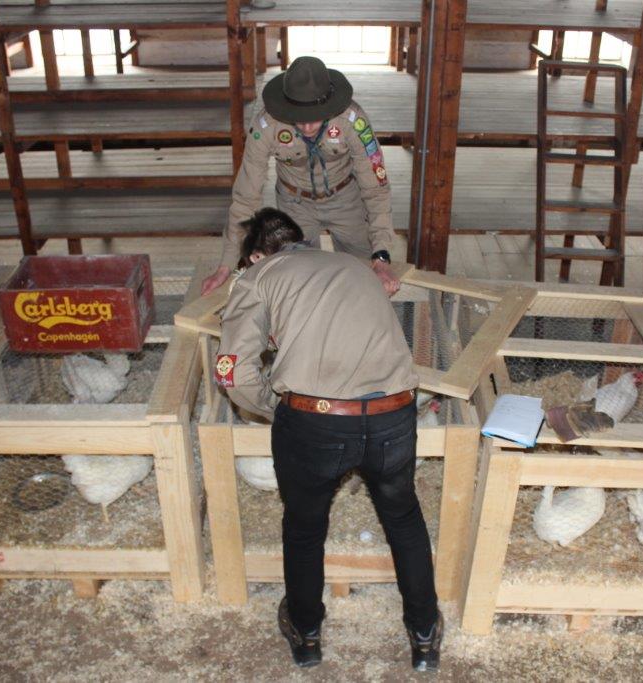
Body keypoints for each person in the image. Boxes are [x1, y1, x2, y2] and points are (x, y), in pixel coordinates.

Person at [214, 208, 443, 672]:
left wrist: (277, 406)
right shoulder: (355, 266)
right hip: (394, 412)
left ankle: (306, 635)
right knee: (403, 517)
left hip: (317, 423)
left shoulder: (258, 276)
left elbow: (232, 371)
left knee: (305, 526)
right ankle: (423, 634)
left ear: (256, 255)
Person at [201, 56, 400, 297]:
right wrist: (226, 264)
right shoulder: (266, 126)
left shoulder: (352, 121)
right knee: (299, 284)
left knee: (366, 279)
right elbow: (246, 198)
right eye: (298, 116)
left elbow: (376, 190)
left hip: (347, 200)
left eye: (315, 116)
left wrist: (381, 256)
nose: (306, 127)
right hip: (295, 205)